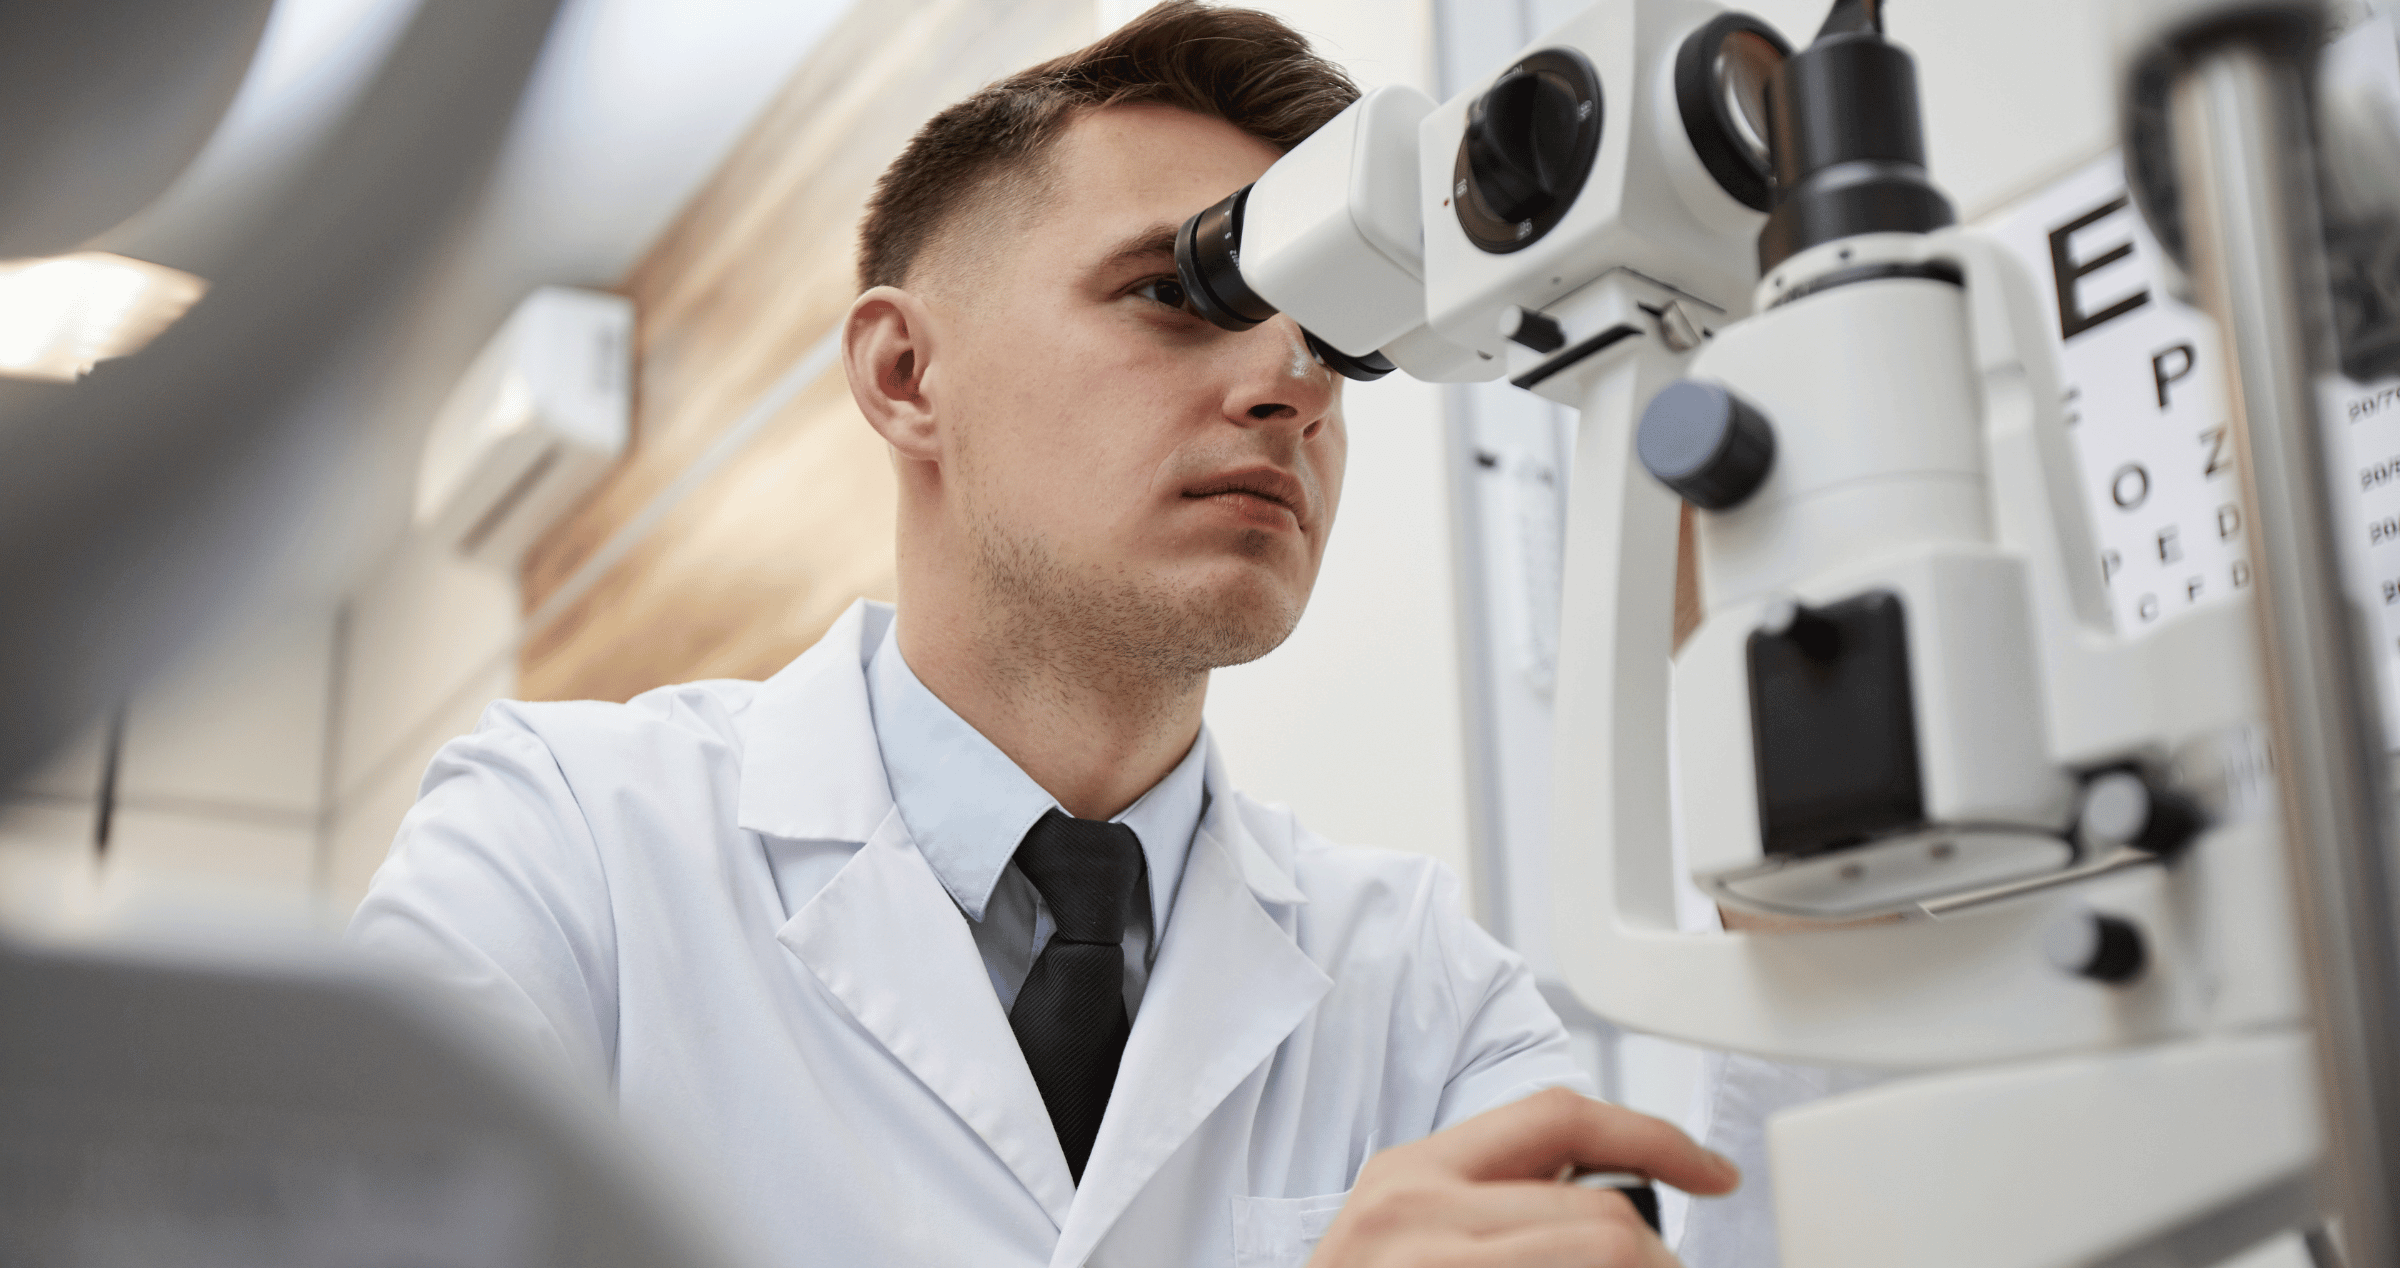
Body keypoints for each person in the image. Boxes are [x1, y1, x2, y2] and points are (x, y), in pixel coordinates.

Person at [348, 4, 1738, 1265]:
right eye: (1180, 291)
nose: (1289, 383)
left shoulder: (1424, 982)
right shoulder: (564, 849)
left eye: (1341, 340)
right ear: (905, 376)